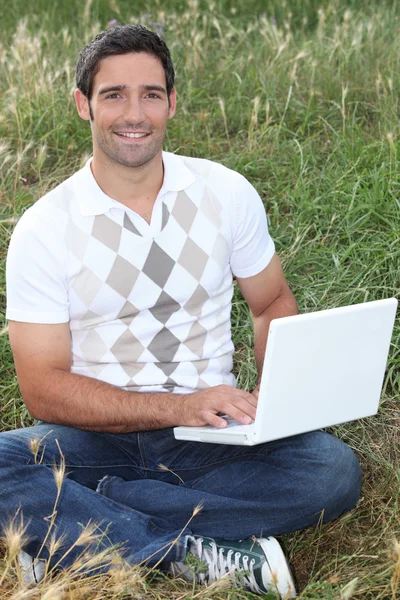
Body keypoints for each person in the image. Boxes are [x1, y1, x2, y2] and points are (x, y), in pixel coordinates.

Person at [2, 24, 361, 598]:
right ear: (82, 105)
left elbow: (270, 304)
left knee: (333, 472)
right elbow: (42, 391)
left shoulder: (226, 193)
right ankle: (179, 552)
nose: (133, 113)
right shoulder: (45, 229)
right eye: (113, 94)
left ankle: (82, 526)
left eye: (149, 93)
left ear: (171, 102)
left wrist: (275, 401)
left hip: (214, 434)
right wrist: (181, 405)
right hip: (98, 434)